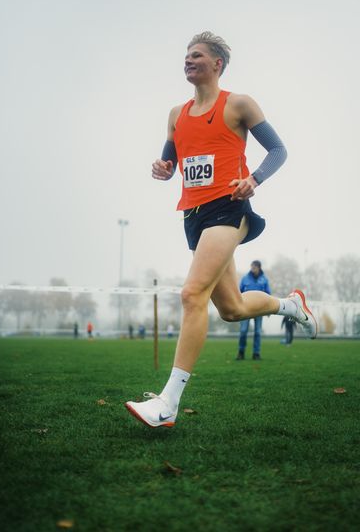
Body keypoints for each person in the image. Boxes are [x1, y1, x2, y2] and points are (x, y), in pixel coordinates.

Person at [125, 31, 318, 428]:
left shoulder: (239, 105)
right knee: (231, 308)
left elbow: (278, 150)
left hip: (228, 208)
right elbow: (171, 162)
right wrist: (163, 169)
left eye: (196, 56)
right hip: (193, 216)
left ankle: (167, 404)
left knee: (192, 294)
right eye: (185, 56)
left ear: (217, 64)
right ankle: (289, 305)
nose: (188, 61)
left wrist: (255, 180)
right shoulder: (176, 115)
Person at [236, 260, 271, 360]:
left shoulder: (264, 280)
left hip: (259, 310)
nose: (252, 268)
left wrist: (268, 310)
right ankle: (241, 352)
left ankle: (256, 353)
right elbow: (239, 293)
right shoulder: (245, 278)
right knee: (243, 331)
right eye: (251, 267)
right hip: (245, 309)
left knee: (258, 332)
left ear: (259, 268)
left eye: (254, 267)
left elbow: (268, 295)